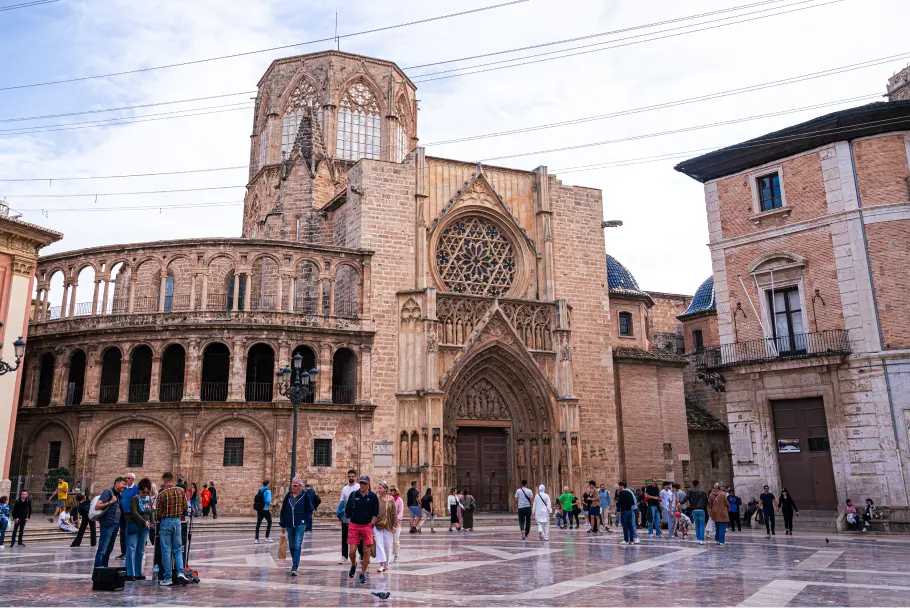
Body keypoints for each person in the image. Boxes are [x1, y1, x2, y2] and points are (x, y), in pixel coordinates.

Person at [155, 472, 189, 587]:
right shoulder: (181, 491)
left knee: (166, 550)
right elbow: (185, 507)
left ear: (164, 480)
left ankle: (168, 577)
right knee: (178, 549)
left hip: (166, 521)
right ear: (172, 479)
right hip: (177, 521)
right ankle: (180, 573)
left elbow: (158, 511)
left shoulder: (162, 493)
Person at [345, 475, 379, 584]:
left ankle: (363, 574)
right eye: (361, 483)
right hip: (354, 525)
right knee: (352, 551)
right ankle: (354, 564)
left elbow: (375, 512)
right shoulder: (354, 494)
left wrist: (372, 523)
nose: (362, 485)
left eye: (364, 483)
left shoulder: (373, 497)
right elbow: (347, 509)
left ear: (368, 484)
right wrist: (349, 520)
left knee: (366, 551)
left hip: (366, 526)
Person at [279, 476, 315, 577]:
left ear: (300, 486)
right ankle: (295, 560)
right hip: (289, 523)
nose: (293, 487)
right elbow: (283, 510)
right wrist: (283, 523)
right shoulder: (288, 496)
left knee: (297, 544)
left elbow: (310, 509)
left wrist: (305, 520)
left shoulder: (305, 495)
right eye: (292, 485)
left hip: (300, 524)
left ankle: (295, 566)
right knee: (291, 545)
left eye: (295, 485)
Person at [126, 477, 153, 581]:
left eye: (147, 492)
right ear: (139, 490)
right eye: (143, 492)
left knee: (140, 550)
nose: (145, 494)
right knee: (131, 548)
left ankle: (138, 573)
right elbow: (134, 512)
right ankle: (130, 573)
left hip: (145, 528)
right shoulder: (135, 499)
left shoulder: (149, 499)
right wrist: (144, 521)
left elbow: (151, 512)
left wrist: (152, 522)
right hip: (135, 526)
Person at [94, 477, 126, 567]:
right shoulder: (107, 492)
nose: (124, 486)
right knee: (102, 549)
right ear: (117, 483)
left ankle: (105, 568)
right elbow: (97, 506)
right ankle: (98, 570)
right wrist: (110, 502)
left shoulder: (119, 495)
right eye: (123, 484)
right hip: (107, 524)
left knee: (109, 549)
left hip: (115, 525)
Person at [373, 481, 398, 574]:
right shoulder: (376, 499)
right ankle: (381, 564)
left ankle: (386, 562)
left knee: (388, 546)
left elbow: (394, 513)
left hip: (388, 525)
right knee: (379, 544)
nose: (378, 490)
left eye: (380, 488)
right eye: (378, 488)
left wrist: (394, 525)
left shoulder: (391, 499)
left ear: (385, 489)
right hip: (378, 525)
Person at [339, 469, 360, 563]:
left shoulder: (358, 487)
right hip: (346, 515)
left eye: (353, 476)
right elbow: (342, 501)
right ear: (347, 477)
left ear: (355, 477)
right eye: (349, 476)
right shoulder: (345, 489)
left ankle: (362, 555)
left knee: (359, 536)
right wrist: (340, 513)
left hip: (357, 515)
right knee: (345, 536)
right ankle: (344, 556)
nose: (351, 478)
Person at [116, 472, 138, 560]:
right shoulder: (124, 488)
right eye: (126, 478)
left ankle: (129, 552)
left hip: (130, 513)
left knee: (128, 533)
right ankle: (123, 552)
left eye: (128, 478)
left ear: (132, 479)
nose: (127, 479)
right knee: (122, 533)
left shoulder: (135, 488)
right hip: (122, 513)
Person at [684, 480, 708, 545]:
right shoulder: (702, 492)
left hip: (694, 510)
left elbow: (686, 498)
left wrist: (680, 503)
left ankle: (698, 539)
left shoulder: (690, 491)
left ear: (693, 484)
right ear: (698, 484)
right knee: (702, 525)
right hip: (701, 510)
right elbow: (706, 501)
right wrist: (704, 507)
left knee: (697, 525)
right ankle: (701, 540)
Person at [254, 480, 273, 544]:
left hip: (259, 509)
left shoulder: (260, 490)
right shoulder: (268, 491)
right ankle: (267, 537)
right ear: (268, 484)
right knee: (269, 522)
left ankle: (256, 539)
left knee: (258, 524)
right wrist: (270, 503)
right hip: (265, 509)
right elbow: (267, 500)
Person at [389, 485, 404, 561]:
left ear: (395, 491)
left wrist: (397, 519)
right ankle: (389, 556)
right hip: (388, 523)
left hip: (397, 523)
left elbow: (401, 511)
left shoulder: (399, 500)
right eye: (390, 490)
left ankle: (396, 555)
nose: (390, 492)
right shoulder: (388, 499)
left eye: (392, 490)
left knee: (395, 540)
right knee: (389, 541)